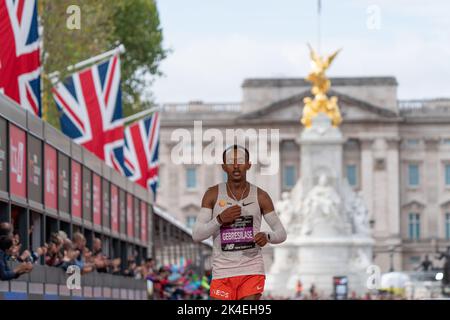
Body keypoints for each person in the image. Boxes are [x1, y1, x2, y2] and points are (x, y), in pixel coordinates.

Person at [192, 145, 287, 300]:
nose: (236, 166)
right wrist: (220, 220)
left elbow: (281, 233)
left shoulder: (261, 196)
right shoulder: (212, 194)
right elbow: (197, 235)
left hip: (251, 269)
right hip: (222, 271)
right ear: (223, 166)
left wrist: (267, 236)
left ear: (249, 164)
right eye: (230, 162)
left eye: (241, 161)